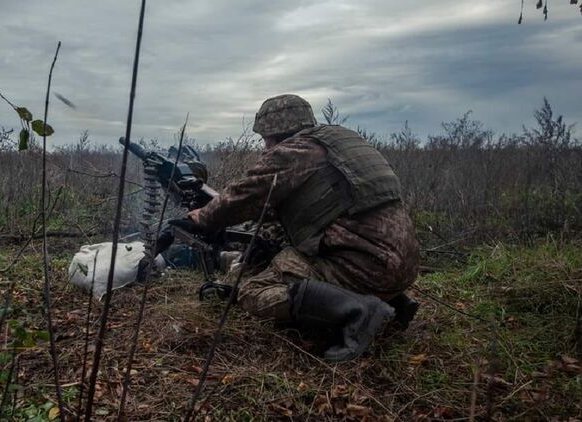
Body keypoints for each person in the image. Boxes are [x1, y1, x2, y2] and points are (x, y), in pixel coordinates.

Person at [175, 94, 420, 362]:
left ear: (273, 133)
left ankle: (361, 310)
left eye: (265, 139)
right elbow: (308, 204)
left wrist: (203, 217)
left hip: (363, 267)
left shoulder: (294, 151)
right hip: (401, 263)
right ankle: (393, 300)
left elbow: (246, 194)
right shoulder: (339, 142)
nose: (265, 146)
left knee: (252, 291)